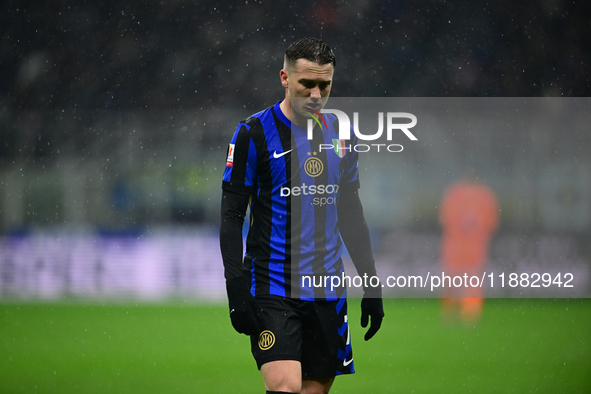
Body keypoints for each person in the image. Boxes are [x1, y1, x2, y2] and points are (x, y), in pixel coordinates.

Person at [219, 37, 384, 394]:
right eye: (306, 84)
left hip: (327, 290)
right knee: (285, 389)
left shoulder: (342, 134)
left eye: (324, 85)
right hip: (271, 287)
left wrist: (371, 283)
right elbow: (232, 217)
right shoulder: (253, 133)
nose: (315, 94)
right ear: (284, 78)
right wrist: (236, 289)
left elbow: (351, 213)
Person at [439, 170, 499, 324]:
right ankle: (468, 313)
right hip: (470, 244)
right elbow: (491, 222)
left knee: (458, 277)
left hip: (461, 244)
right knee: (469, 278)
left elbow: (445, 217)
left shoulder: (455, 193)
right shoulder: (484, 195)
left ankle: (453, 312)